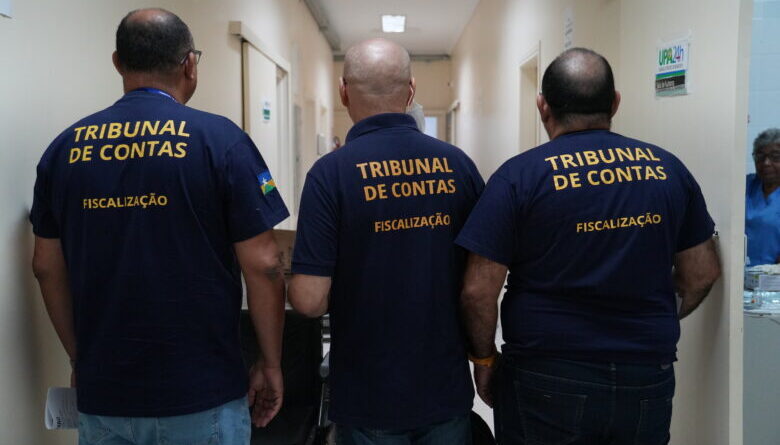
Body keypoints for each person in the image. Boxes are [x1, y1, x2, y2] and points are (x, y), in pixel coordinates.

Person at [30, 9, 288, 445]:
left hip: (105, 394)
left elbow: (44, 266)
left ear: (118, 63)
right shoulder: (221, 141)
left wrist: (81, 358)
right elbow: (264, 264)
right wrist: (271, 362)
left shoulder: (64, 150)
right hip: (201, 392)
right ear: (190, 65)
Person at [455, 48, 721, 444]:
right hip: (645, 374)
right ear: (614, 102)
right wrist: (650, 318)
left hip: (547, 374)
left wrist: (484, 359)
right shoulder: (668, 170)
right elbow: (702, 273)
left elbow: (478, 291)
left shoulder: (518, 177)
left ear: (542, 106)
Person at [288, 38, 484, 444]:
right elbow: (479, 283)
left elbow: (308, 300)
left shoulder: (329, 175)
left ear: (343, 92)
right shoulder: (459, 166)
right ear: (411, 91)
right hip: (444, 387)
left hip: (368, 394)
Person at [746, 128, 780, 265]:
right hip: (738, 271)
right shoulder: (746, 185)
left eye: (775, 157)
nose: (766, 163)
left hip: (774, 274)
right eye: (760, 157)